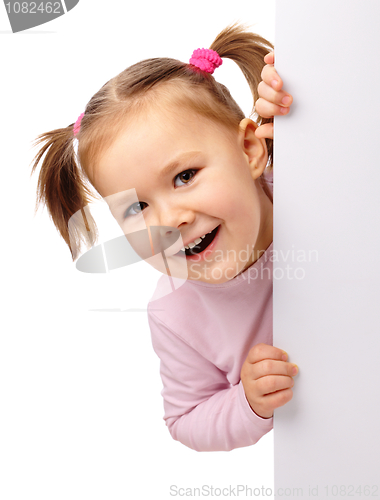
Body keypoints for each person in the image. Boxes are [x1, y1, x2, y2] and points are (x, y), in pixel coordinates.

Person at [31, 24, 296, 452]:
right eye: (137, 208)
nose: (169, 220)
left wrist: (303, 105)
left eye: (185, 176)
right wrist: (247, 402)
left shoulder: (308, 184)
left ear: (249, 149)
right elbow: (185, 419)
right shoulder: (176, 314)